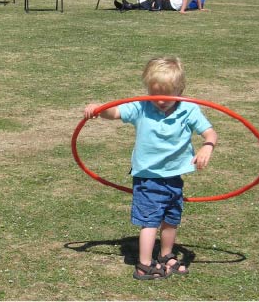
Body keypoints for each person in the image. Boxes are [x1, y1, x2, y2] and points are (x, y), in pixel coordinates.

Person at [84, 56, 217, 280]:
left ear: (180, 90)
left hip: (174, 176)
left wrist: (207, 146)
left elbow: (210, 132)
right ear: (148, 90)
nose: (161, 101)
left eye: (167, 95)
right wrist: (99, 109)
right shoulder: (142, 107)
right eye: (155, 94)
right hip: (148, 177)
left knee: (171, 218)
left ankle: (166, 256)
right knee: (150, 221)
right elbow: (115, 113)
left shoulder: (189, 110)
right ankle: (144, 264)